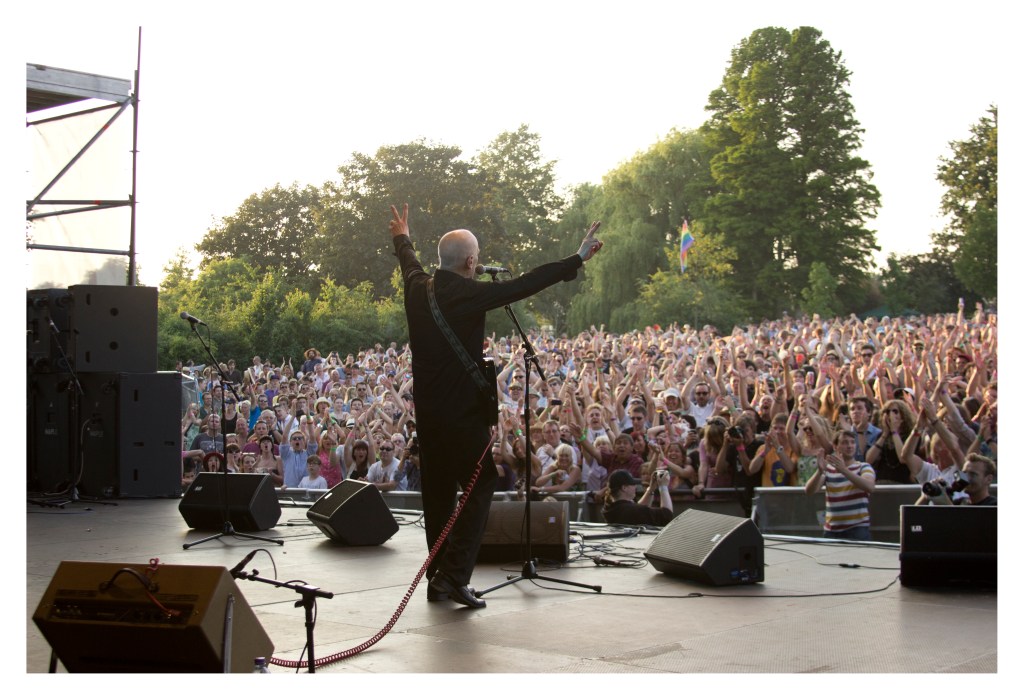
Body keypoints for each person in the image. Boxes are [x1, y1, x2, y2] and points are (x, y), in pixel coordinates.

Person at [389, 202, 602, 608]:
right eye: (478, 258)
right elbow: (525, 284)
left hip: (428, 416)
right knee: (481, 483)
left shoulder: (417, 286)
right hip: (463, 416)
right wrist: (576, 258)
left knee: (437, 496)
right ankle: (452, 576)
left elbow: (408, 260)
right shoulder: (468, 294)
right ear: (471, 262)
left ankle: (438, 575)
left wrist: (402, 236)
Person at [804, 430, 876, 540]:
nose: (849, 446)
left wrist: (844, 471)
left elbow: (870, 487)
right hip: (832, 531)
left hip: (857, 529)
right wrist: (819, 472)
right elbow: (809, 491)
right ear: (835, 447)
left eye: (852, 442)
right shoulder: (828, 469)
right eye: (844, 442)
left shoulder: (864, 467)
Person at [602, 469, 675, 526]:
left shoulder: (609, 508)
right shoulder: (633, 510)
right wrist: (663, 487)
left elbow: (637, 508)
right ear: (624, 488)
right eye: (633, 484)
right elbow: (666, 515)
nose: (635, 487)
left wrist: (651, 488)